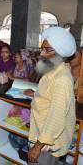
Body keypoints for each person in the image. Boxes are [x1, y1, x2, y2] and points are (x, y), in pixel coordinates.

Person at [26, 27, 76, 165]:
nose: (42, 53)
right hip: (41, 135)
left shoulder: (62, 79)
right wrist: (36, 95)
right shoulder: (53, 69)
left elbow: (57, 116)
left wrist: (37, 147)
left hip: (46, 145)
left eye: (48, 50)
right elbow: (50, 96)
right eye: (42, 48)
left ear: (61, 53)